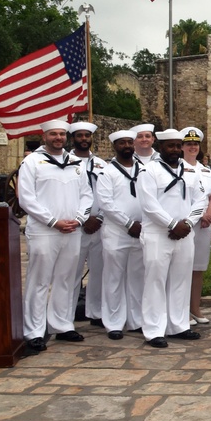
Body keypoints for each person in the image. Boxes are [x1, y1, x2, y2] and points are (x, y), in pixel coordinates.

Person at [18, 119, 94, 351]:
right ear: (44, 137)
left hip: (71, 229)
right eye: (53, 134)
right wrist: (53, 221)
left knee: (66, 279)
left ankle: (61, 324)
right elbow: (26, 198)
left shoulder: (74, 162)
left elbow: (86, 194)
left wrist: (79, 218)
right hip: (44, 230)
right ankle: (34, 330)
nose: (58, 138)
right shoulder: (32, 162)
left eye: (62, 134)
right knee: (39, 280)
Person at [137, 129, 208, 348]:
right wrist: (171, 224)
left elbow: (201, 200)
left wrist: (186, 223)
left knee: (181, 279)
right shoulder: (149, 171)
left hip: (185, 232)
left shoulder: (191, 172)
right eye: (171, 146)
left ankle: (178, 326)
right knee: (155, 281)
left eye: (179, 146)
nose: (176, 150)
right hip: (158, 234)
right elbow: (149, 205)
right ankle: (154, 330)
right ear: (160, 146)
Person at [95, 130, 145, 340]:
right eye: (122, 143)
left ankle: (136, 320)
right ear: (114, 146)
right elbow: (106, 204)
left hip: (141, 231)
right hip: (117, 232)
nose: (126, 145)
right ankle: (114, 323)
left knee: (137, 278)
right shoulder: (107, 172)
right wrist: (127, 223)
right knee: (113, 277)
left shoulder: (144, 169)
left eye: (129, 142)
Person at [68, 121, 106, 328]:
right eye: (79, 136)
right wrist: (82, 219)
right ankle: (68, 313)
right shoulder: (66, 162)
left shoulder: (102, 164)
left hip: (99, 224)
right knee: (72, 272)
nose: (84, 139)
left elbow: (108, 194)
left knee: (98, 271)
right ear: (73, 139)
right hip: (75, 225)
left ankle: (96, 312)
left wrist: (98, 217)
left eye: (87, 136)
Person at [181, 127, 211, 325]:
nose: (192, 147)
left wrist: (210, 212)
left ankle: (195, 308)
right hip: (187, 223)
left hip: (204, 223)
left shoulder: (205, 169)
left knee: (198, 267)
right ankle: (181, 309)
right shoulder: (176, 166)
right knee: (182, 266)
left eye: (195, 144)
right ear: (182, 146)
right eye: (188, 144)